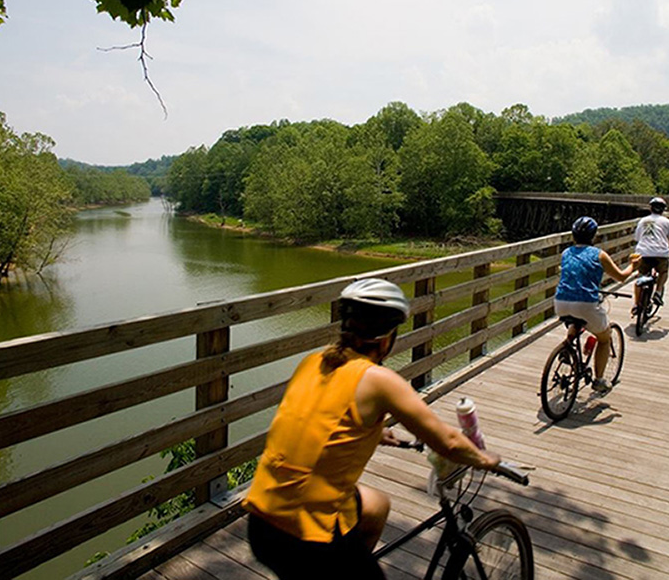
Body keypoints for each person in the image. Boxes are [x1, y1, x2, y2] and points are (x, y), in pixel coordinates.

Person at [242, 278, 501, 580]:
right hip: (304, 536)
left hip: (261, 523)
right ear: (386, 338)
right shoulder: (380, 380)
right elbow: (449, 442)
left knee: (377, 506)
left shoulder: (313, 361)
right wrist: (488, 460)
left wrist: (375, 433)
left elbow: (315, 419)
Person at [553, 216, 638, 392]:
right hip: (585, 304)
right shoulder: (599, 254)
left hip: (560, 302)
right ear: (593, 236)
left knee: (573, 320)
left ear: (573, 235)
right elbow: (621, 276)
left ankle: (567, 347)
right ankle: (599, 380)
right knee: (604, 338)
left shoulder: (566, 253)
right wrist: (633, 266)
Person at [632, 196, 669, 315]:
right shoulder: (668, 223)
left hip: (643, 253)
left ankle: (636, 304)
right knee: (663, 272)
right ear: (663, 210)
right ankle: (658, 292)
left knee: (640, 277)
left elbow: (637, 238)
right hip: (661, 253)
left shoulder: (642, 221)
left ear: (650, 208)